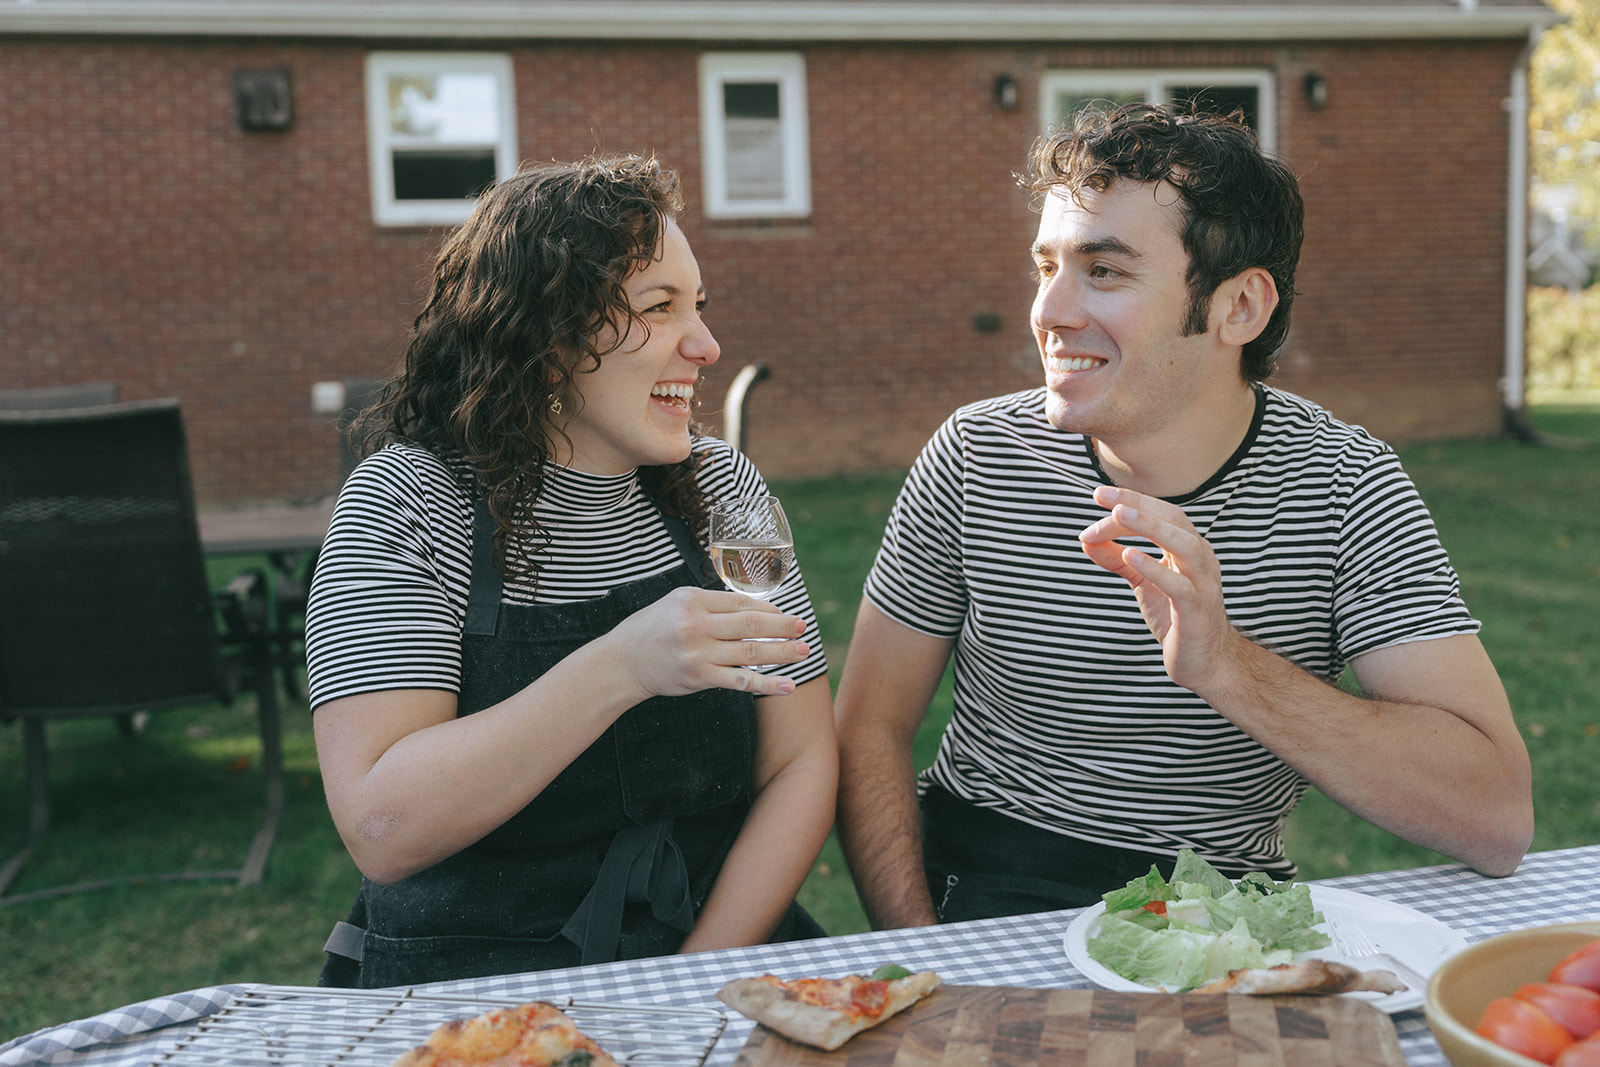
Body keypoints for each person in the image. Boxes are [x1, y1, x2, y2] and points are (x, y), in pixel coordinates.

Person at [832, 102, 1534, 929]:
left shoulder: (1345, 486)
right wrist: (926, 949)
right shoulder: (977, 453)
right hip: (982, 890)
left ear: (1239, 307)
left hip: (1216, 918)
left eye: (1104, 271)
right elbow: (869, 729)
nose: (1050, 312)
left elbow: (1496, 817)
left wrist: (1226, 665)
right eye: (1045, 266)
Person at [306, 155, 836, 987]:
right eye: (659, 308)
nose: (705, 344)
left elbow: (800, 761)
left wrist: (697, 979)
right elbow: (381, 822)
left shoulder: (721, 487)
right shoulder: (409, 502)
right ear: (546, 337)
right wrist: (622, 665)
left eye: (697, 306)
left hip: (723, 954)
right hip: (474, 991)